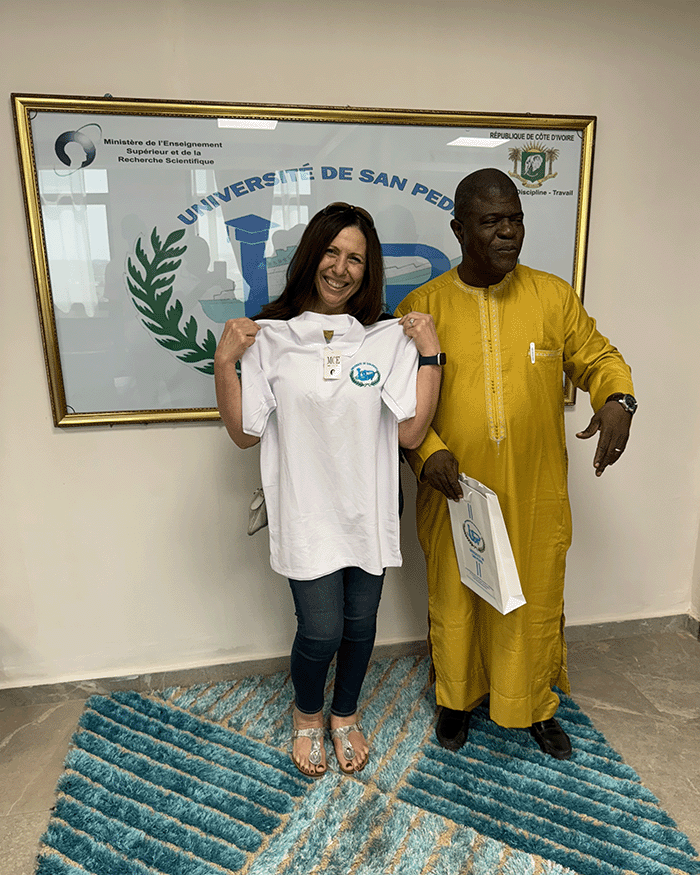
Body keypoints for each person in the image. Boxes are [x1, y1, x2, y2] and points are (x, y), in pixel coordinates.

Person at [395, 169, 635, 760]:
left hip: (534, 489)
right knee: (456, 597)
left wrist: (618, 399)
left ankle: (534, 704)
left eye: (516, 219)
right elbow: (396, 402)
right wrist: (427, 455)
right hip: (456, 491)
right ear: (458, 229)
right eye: (491, 221)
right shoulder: (421, 308)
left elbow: (596, 356)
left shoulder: (552, 296)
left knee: (531, 595)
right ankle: (455, 699)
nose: (508, 232)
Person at [214, 203, 443, 777]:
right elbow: (246, 435)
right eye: (332, 253)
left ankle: (345, 714)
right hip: (305, 511)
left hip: (367, 511)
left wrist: (431, 354)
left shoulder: (383, 339)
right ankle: (308, 714)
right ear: (311, 257)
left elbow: (412, 431)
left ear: (369, 271)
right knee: (320, 629)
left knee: (361, 627)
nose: (341, 268)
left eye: (356, 260)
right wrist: (225, 364)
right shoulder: (272, 338)